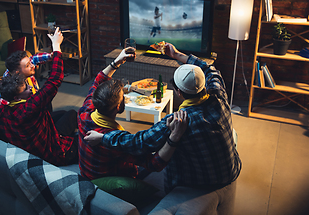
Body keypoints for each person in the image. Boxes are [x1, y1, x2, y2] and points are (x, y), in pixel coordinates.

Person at [84, 43, 242, 194]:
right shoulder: (219, 94)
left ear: (178, 92)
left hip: (200, 182)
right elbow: (210, 68)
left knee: (172, 152)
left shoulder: (177, 121)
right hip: (232, 170)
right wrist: (177, 54)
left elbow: (140, 143)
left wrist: (104, 138)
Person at [0, 28, 78, 166]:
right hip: (55, 153)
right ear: (18, 98)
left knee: (68, 115)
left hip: (35, 139)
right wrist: (56, 47)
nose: (31, 87)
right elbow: (55, 79)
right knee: (85, 140)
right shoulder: (31, 107)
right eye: (26, 88)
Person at [78, 49, 188, 181]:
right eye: (122, 96)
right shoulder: (116, 140)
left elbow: (98, 81)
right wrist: (174, 137)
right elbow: (154, 163)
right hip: (108, 177)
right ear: (118, 107)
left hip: (86, 170)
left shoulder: (84, 112)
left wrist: (117, 61)